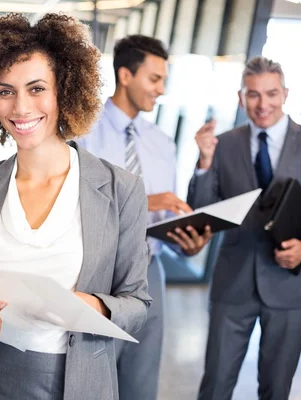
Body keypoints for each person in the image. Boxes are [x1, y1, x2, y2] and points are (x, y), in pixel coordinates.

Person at [0, 13, 152, 400]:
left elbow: (137, 304)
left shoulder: (121, 189)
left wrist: (96, 306)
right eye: (5, 91)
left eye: (36, 89)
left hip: (76, 383)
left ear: (64, 91)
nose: (20, 107)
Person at [77, 34, 213, 400]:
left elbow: (160, 218)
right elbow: (75, 205)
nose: (161, 90)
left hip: (150, 272)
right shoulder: (83, 134)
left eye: (163, 80)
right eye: (154, 79)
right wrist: (145, 201)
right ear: (125, 75)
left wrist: (186, 240)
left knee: (141, 383)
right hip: (98, 276)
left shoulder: (162, 143)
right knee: (95, 382)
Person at [188, 56, 301, 400]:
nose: (263, 104)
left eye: (271, 94)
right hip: (233, 281)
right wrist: (204, 161)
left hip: (292, 285)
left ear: (286, 94)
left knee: (276, 389)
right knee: (215, 384)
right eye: (253, 95)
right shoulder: (222, 144)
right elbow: (202, 209)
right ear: (240, 97)